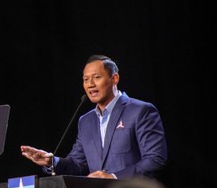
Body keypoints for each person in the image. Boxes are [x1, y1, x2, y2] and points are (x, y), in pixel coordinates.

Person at [21, 54, 167, 179]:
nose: (90, 84)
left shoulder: (140, 111)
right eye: (85, 79)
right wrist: (52, 161)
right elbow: (79, 165)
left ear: (114, 79)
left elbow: (155, 159)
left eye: (97, 77)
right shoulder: (86, 121)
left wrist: (114, 177)